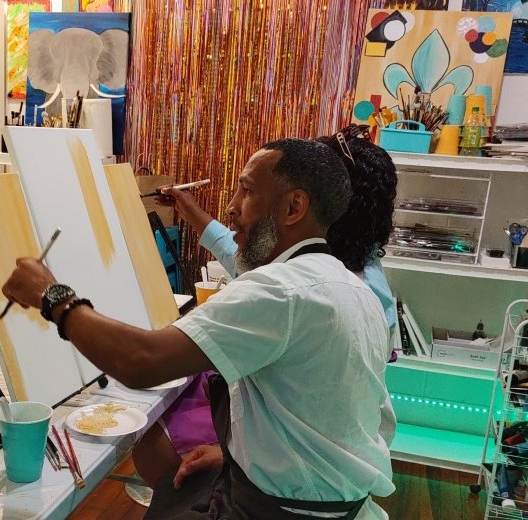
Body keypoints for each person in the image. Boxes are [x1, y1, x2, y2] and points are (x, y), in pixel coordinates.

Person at [2, 138, 395, 520]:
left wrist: (55, 298)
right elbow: (339, 419)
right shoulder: (349, 286)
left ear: (293, 207)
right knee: (176, 482)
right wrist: (240, 450)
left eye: (246, 192)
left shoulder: (284, 290)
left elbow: (141, 362)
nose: (231, 209)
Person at [131, 128, 397, 489]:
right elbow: (242, 256)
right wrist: (189, 208)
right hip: (292, 450)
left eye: (248, 191)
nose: (233, 207)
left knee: (158, 440)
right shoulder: (319, 264)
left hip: (298, 476)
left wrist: (233, 453)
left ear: (303, 206)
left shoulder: (335, 288)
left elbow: (341, 419)